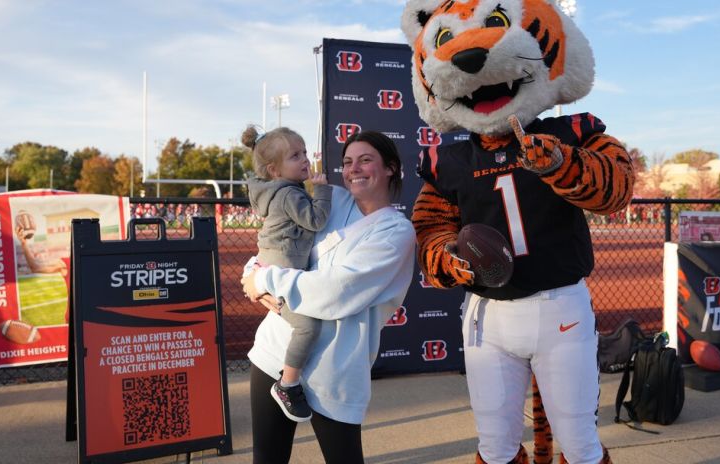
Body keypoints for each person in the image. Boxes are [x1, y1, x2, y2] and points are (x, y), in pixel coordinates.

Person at [401, 1, 633, 462]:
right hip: (489, 316)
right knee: (495, 444)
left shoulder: (573, 133)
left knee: (579, 441)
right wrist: (449, 258)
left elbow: (617, 188)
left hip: (559, 306)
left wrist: (564, 163)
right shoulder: (449, 162)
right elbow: (428, 229)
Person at [242, 131, 415, 463]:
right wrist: (252, 269)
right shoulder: (330, 197)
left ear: (390, 168)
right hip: (274, 350)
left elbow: (335, 290)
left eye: (366, 160)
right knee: (267, 458)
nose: (354, 169)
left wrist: (264, 279)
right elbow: (276, 242)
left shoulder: (397, 232)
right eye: (348, 162)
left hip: (335, 367)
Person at [241, 126, 332, 423]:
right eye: (295, 156)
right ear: (274, 169)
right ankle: (287, 383)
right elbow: (316, 220)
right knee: (307, 326)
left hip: (272, 267)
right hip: (279, 272)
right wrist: (322, 190)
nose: (305, 159)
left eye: (304, 152)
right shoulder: (290, 195)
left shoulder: (279, 192)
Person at [14, 215, 71, 323]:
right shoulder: (67, 262)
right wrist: (23, 244)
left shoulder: (100, 262)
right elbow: (35, 267)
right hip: (74, 318)